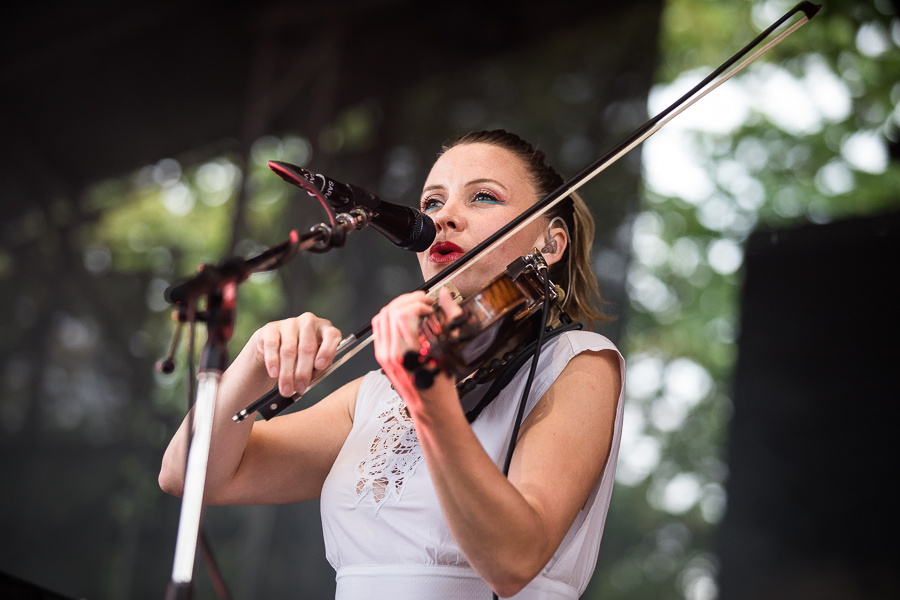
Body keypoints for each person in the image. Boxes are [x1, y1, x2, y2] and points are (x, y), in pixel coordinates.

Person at [159, 130, 625, 599]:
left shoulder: (577, 363)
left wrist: (429, 396)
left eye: (483, 197)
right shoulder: (377, 391)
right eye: (433, 202)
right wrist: (258, 356)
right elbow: (189, 475)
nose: (444, 218)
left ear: (550, 243)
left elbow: (514, 561)